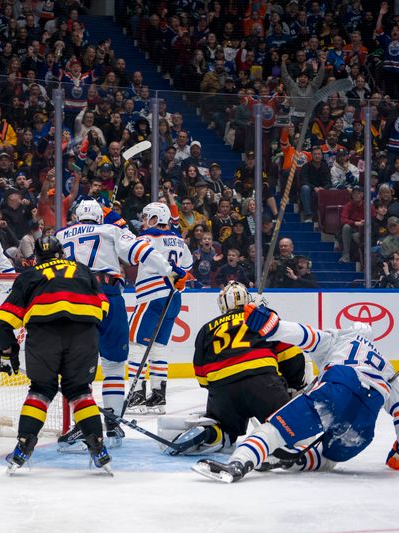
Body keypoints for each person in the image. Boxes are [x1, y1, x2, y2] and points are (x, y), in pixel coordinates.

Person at [194, 303, 399, 483]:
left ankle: (238, 463)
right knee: (329, 459)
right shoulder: (387, 368)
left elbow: (304, 335)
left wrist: (273, 327)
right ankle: (293, 460)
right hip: (365, 417)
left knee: (274, 429)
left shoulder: (339, 339)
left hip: (339, 384)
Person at [56, 199, 185, 448]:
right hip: (107, 295)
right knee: (114, 364)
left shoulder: (61, 234)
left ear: (76, 217)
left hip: (70, 298)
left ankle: (81, 424)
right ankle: (113, 424)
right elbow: (142, 252)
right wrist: (170, 270)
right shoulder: (111, 229)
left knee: (77, 366)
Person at [0, 236, 112, 474]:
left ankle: (23, 447)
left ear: (36, 257)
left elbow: (2, 322)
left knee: (40, 391)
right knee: (80, 392)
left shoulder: (30, 275)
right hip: (84, 336)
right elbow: (104, 308)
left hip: (44, 337)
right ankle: (98, 447)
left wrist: (7, 351)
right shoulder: (82, 270)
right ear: (62, 253)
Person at [159, 282, 305, 456]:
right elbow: (292, 354)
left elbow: (201, 374)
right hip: (262, 382)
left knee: (224, 429)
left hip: (222, 390)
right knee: (286, 425)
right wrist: (293, 385)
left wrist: (218, 391)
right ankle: (273, 439)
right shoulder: (262, 318)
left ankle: (211, 434)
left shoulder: (207, 329)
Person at [127, 202, 193, 415]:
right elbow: (188, 266)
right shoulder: (179, 240)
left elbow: (131, 256)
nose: (144, 222)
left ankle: (136, 396)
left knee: (136, 344)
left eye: (147, 217)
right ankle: (157, 397)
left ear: (155, 219)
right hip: (174, 298)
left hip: (151, 296)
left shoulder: (146, 238)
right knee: (159, 348)